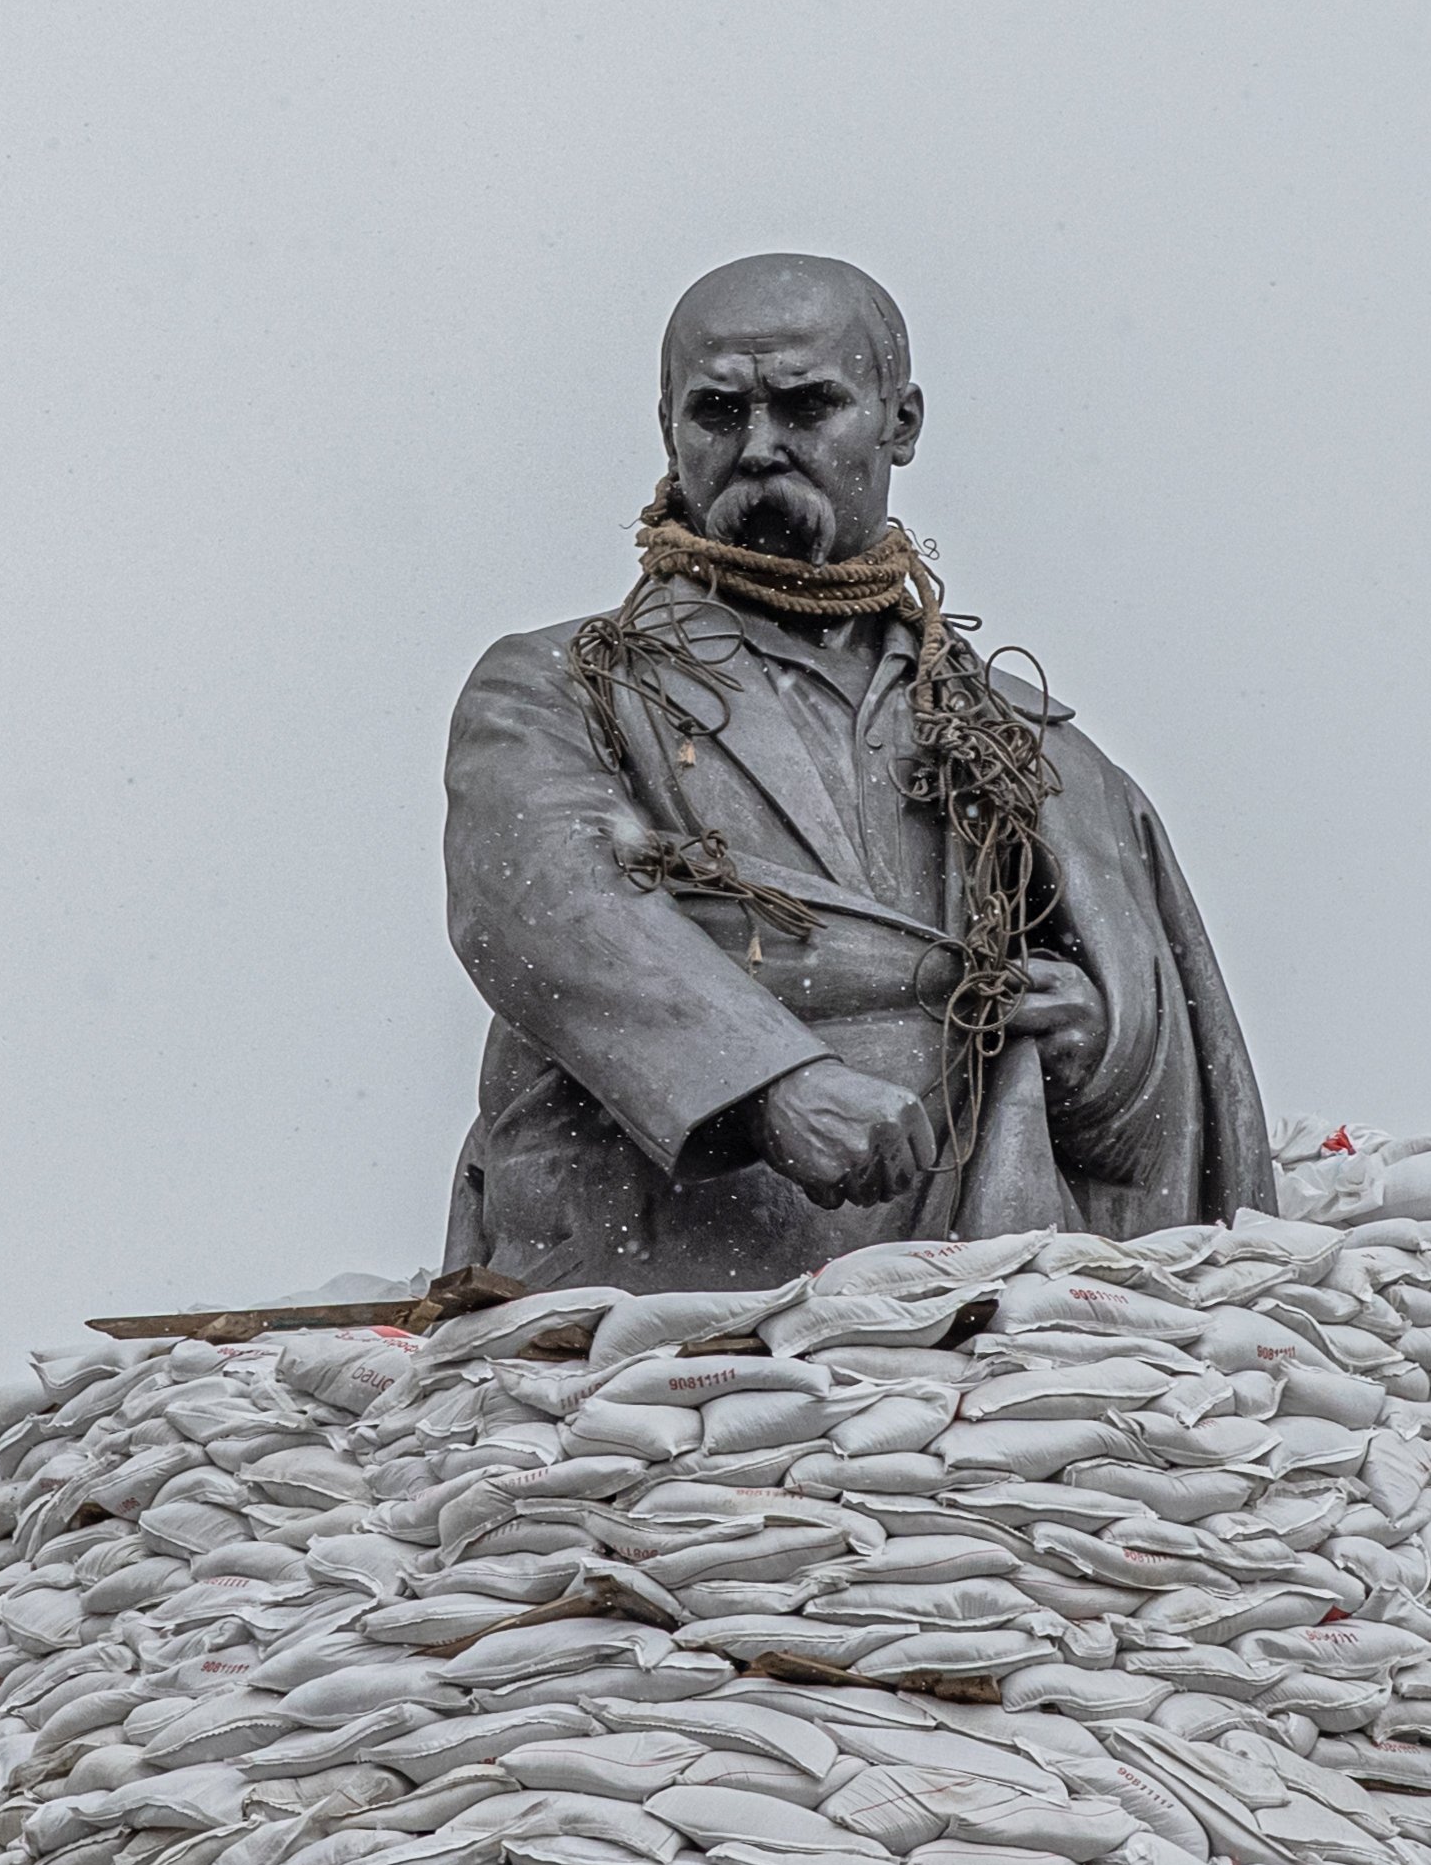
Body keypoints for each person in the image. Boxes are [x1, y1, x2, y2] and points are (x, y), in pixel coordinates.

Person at [434, 254, 1269, 1292]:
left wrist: (1100, 1048)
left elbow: (1176, 1060)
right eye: (717, 413)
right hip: (679, 1264)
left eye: (807, 405)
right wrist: (768, 1082)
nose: (759, 448)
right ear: (667, 430)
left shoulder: (1041, 752)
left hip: (988, 1256)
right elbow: (541, 910)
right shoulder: (562, 687)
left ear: (899, 422)